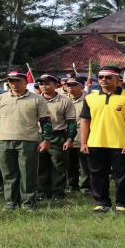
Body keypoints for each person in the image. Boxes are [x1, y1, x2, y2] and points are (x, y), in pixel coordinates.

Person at [0, 70, 54, 211]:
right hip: (4, 140)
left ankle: (28, 203)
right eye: (11, 81)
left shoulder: (37, 99)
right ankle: (11, 202)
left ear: (25, 82)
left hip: (28, 140)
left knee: (28, 173)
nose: (14, 84)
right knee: (8, 173)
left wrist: (46, 139)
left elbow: (45, 121)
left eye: (18, 80)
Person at [79, 65, 125, 213]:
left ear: (117, 79)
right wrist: (83, 142)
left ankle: (122, 203)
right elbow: (85, 121)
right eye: (101, 77)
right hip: (95, 143)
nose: (104, 80)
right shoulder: (90, 98)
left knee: (122, 176)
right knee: (98, 176)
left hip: (120, 144)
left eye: (108, 77)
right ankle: (102, 203)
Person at [36, 74, 76, 203]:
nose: (44, 86)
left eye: (47, 83)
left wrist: (70, 139)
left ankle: (58, 192)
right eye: (41, 84)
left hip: (57, 135)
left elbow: (71, 121)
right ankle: (42, 191)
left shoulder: (65, 101)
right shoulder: (35, 99)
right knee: (40, 165)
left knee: (58, 165)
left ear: (56, 85)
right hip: (37, 135)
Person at [63, 75, 90, 195]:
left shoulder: (89, 100)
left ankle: (85, 186)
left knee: (85, 165)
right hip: (66, 138)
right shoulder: (62, 100)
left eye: (74, 85)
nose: (70, 88)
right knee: (69, 164)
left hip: (84, 136)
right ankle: (71, 186)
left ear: (82, 86)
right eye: (68, 85)